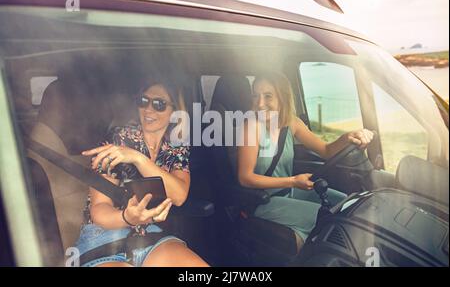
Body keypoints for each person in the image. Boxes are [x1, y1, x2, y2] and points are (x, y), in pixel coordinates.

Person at [75, 77, 209, 267]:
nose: (148, 109)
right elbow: (99, 209)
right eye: (143, 101)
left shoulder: (175, 146)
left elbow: (179, 195)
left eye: (159, 104)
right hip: (102, 236)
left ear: (174, 111)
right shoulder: (117, 140)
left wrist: (139, 159)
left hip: (148, 235)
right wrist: (127, 218)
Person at [237, 71, 374, 251]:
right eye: (255, 96)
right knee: (328, 218)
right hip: (262, 201)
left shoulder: (291, 123)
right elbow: (245, 178)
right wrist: (293, 181)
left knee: (346, 205)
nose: (260, 103)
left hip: (288, 192)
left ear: (282, 98)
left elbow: (326, 150)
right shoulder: (250, 127)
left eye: (268, 96)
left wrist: (348, 137)